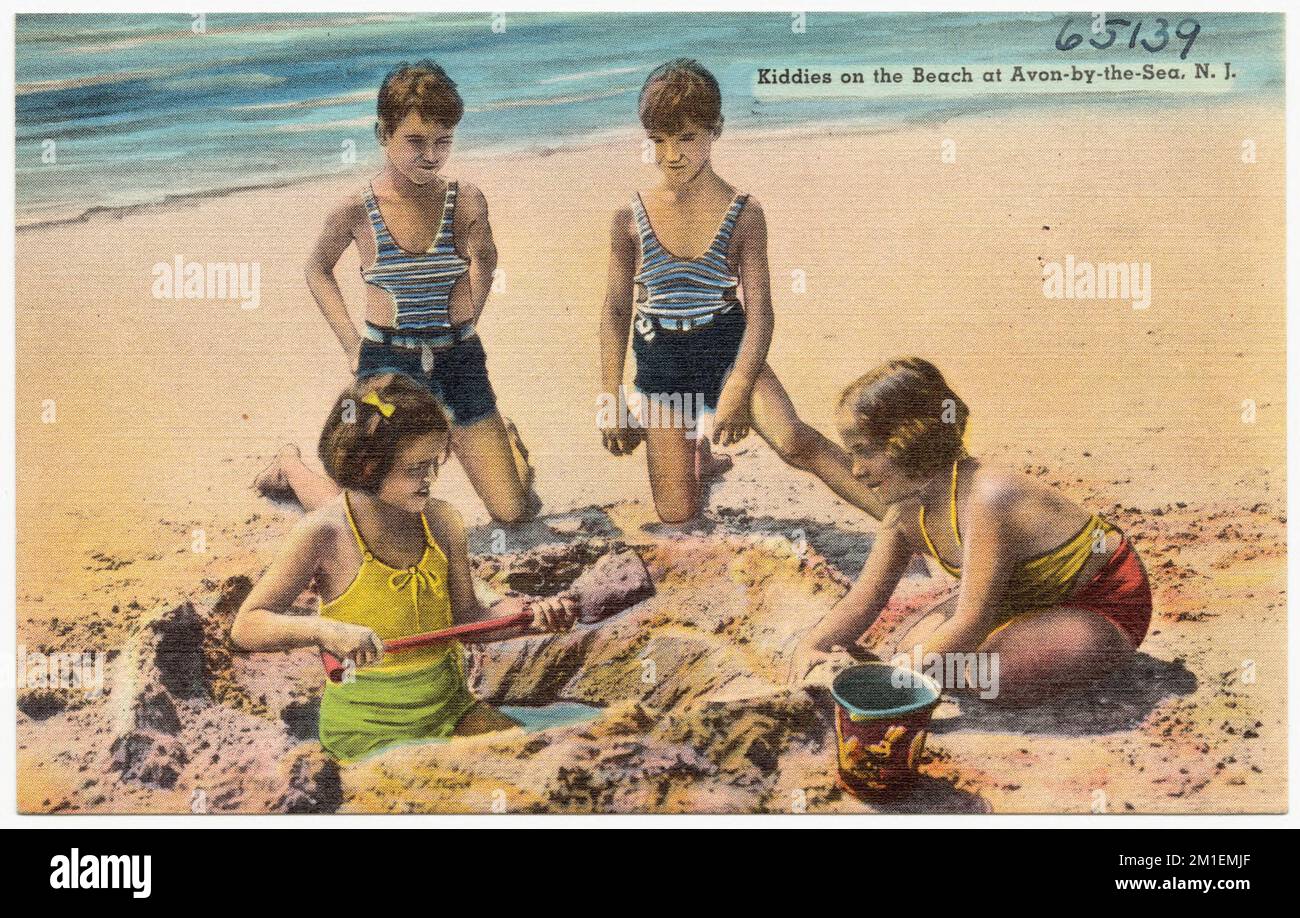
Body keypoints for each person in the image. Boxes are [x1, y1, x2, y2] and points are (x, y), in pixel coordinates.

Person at [599, 59, 886, 524]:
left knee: (793, 440)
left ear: (715, 131)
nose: (672, 154)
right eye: (659, 141)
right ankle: (699, 452)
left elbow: (762, 315)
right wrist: (611, 399)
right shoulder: (628, 216)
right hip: (660, 358)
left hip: (725, 346)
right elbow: (615, 313)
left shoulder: (744, 212)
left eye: (687, 138)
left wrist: (737, 388)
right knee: (677, 515)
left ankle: (896, 516)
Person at [233, 374, 575, 761]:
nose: (430, 480)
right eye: (417, 469)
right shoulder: (322, 533)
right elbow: (246, 626)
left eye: (435, 465)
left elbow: (469, 618)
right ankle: (291, 467)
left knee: (535, 755)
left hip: (451, 711)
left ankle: (292, 467)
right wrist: (324, 631)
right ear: (367, 468)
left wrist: (531, 618)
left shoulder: (443, 521)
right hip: (367, 730)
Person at [256, 59, 536, 525]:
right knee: (362, 523)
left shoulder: (466, 200)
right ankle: (289, 463)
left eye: (442, 142)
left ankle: (501, 443)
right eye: (415, 141)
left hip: (458, 361)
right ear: (383, 134)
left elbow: (486, 259)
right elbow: (317, 270)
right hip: (387, 367)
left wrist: (470, 316)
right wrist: (351, 343)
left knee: (512, 512)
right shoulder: (358, 208)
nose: (430, 155)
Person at [794, 357, 1152, 702]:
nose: (855, 471)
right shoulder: (904, 514)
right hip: (1022, 599)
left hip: (1102, 603)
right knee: (912, 651)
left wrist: (893, 681)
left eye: (864, 452)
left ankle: (1090, 651)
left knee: (987, 676)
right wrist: (814, 644)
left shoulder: (987, 498)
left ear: (909, 441)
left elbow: (971, 620)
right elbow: (864, 599)